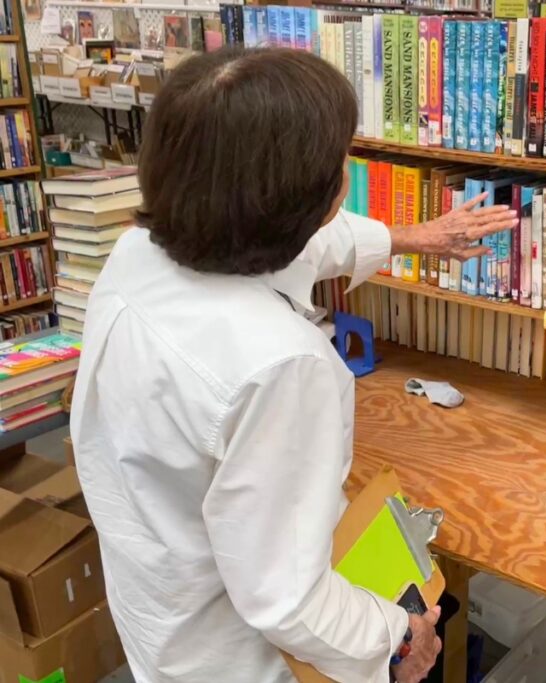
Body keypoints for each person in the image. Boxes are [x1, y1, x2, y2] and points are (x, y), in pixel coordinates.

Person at [70, 48, 515, 683]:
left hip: (161, 615)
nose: (345, 174)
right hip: (238, 658)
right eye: (341, 164)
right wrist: (395, 638)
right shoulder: (279, 366)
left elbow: (304, 243)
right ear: (306, 200)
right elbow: (288, 598)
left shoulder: (140, 251)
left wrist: (413, 238)